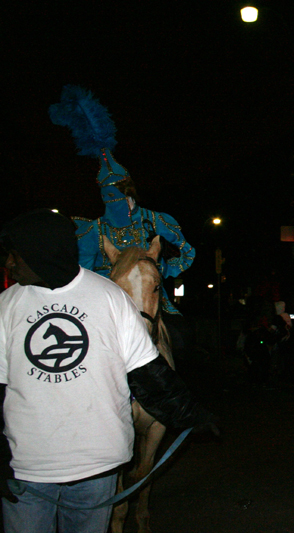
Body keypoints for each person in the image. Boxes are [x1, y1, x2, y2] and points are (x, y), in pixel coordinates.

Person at [0, 209, 216, 533]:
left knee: (179, 334)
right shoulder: (5, 305)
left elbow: (148, 371)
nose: (9, 265)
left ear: (43, 252)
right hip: (25, 470)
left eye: (15, 255)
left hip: (95, 468)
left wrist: (190, 413)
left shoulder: (111, 298)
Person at [49, 85, 195, 315]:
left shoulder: (155, 220)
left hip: (150, 298)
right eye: (105, 197)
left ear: (128, 195)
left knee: (178, 337)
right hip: (107, 302)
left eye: (115, 196)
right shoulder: (93, 231)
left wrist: (163, 269)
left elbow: (186, 251)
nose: (111, 202)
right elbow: (83, 273)